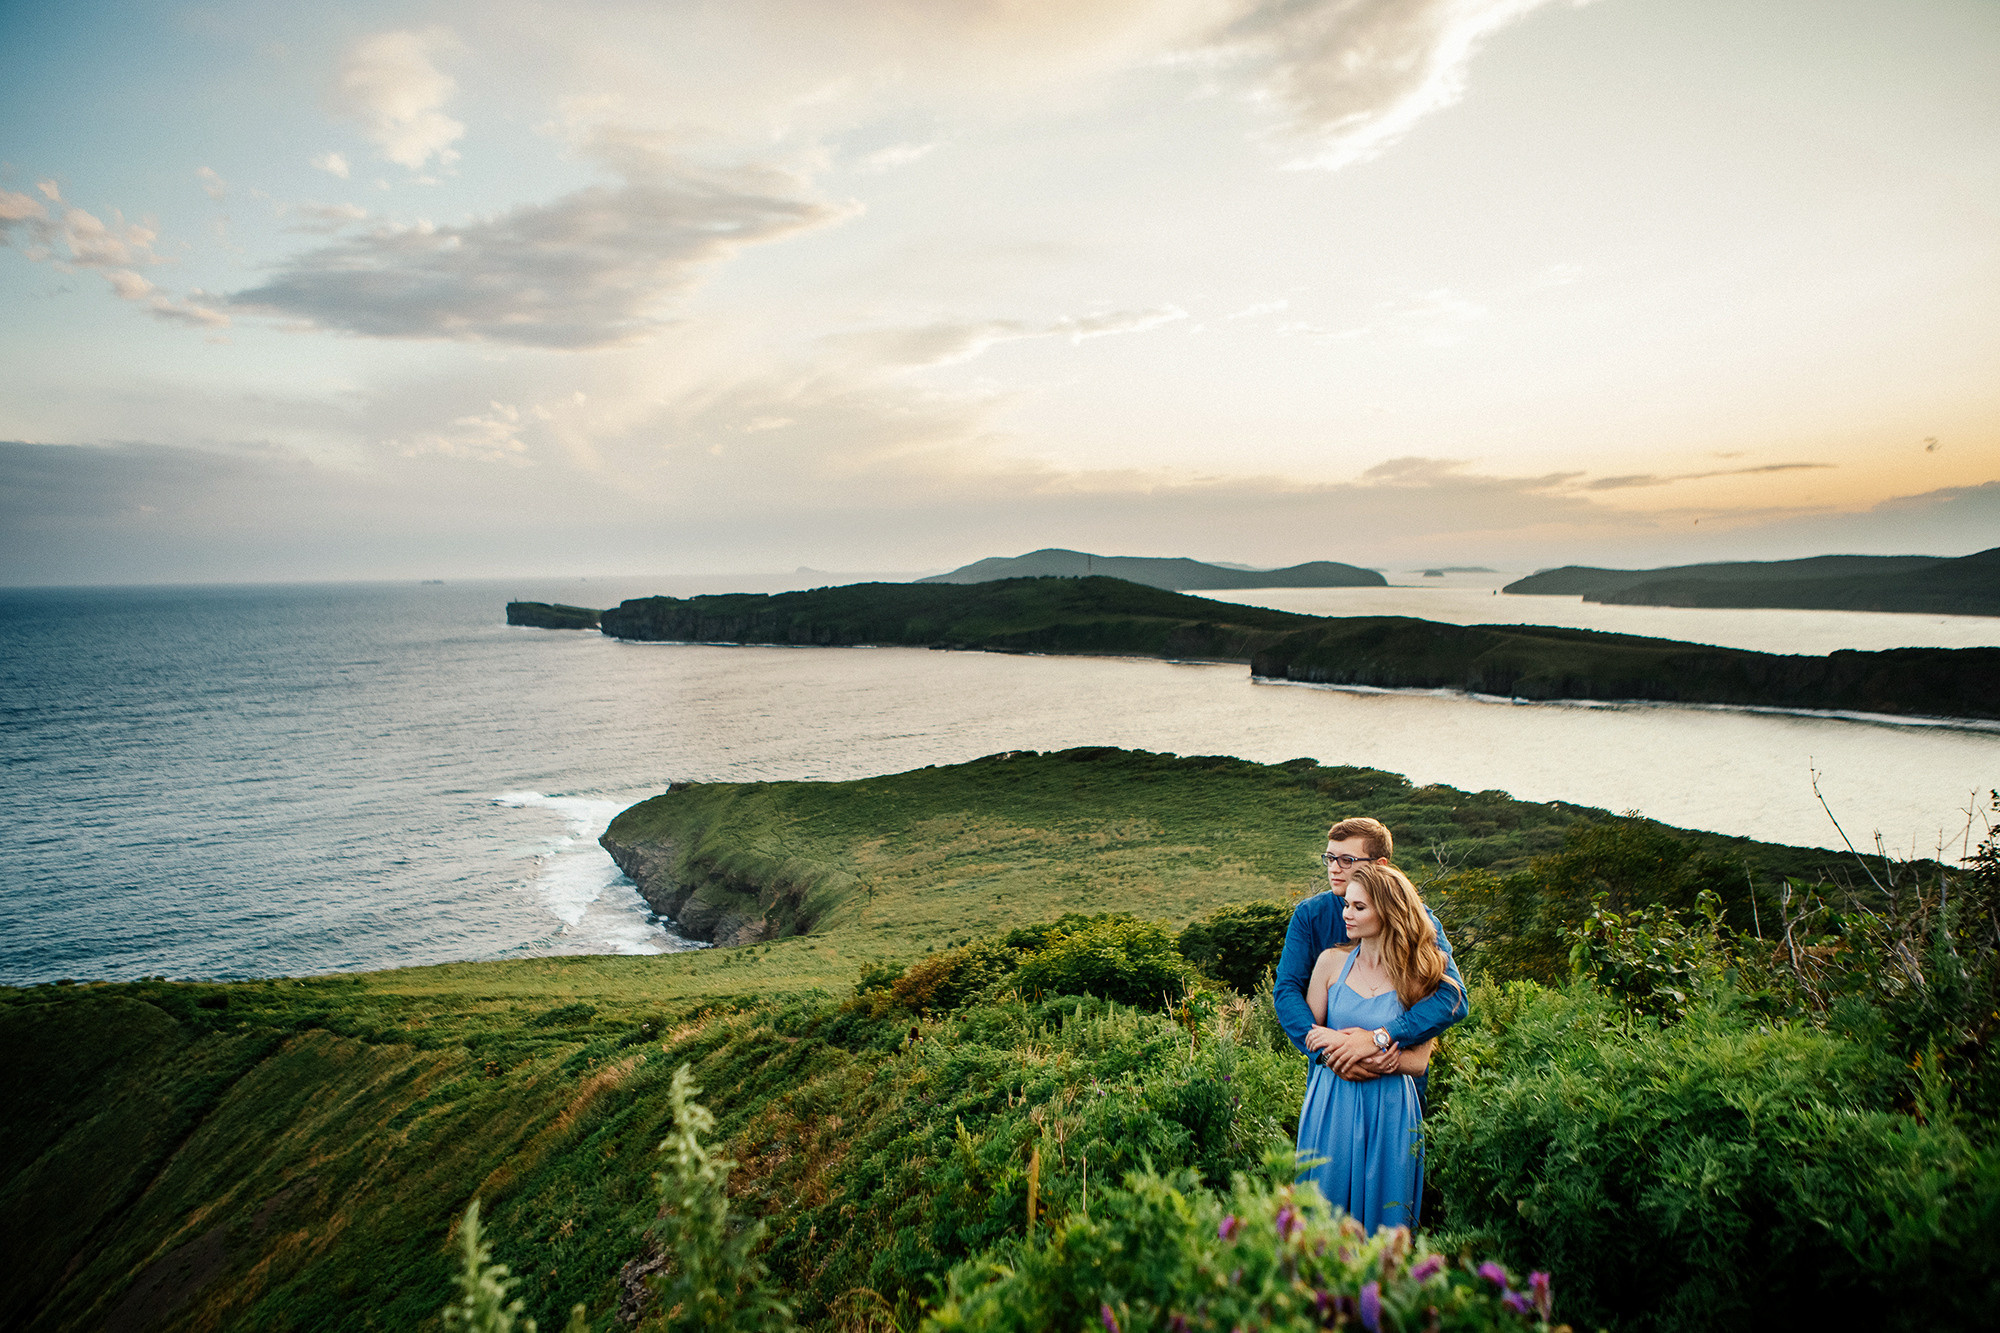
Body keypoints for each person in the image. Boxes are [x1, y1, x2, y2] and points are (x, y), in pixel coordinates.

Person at [1293, 862, 1460, 1232]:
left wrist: (1360, 1045)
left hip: (1391, 1108)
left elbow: (1417, 1062)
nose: (1346, 914)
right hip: (1331, 1098)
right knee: (1322, 1210)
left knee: (1385, 1219)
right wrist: (1343, 1043)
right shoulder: (1330, 963)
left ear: (1388, 911)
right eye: (1347, 904)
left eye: (1359, 907)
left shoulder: (1420, 974)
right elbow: (1313, 1036)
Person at [1272, 817, 1467, 1080]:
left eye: (1346, 860)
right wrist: (1330, 1054)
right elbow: (1287, 989)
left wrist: (1380, 1038)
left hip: (1398, 1078)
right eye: (1329, 858)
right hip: (1333, 1074)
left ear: (1380, 865)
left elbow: (1452, 999)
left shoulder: (1418, 920)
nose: (1334, 868)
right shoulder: (1310, 915)